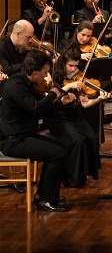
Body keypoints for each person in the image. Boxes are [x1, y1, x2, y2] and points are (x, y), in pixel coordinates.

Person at [0, 50, 81, 212]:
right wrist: (52, 94)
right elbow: (37, 110)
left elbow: (42, 110)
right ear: (35, 71)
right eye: (44, 72)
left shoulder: (27, 84)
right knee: (57, 153)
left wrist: (62, 102)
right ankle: (45, 200)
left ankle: (43, 194)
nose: (45, 77)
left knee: (62, 147)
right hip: (12, 140)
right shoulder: (16, 86)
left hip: (25, 135)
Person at [49, 47, 109, 188]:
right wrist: (69, 86)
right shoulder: (54, 76)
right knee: (77, 140)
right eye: (70, 66)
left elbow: (85, 103)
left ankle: (83, 175)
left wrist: (99, 99)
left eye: (76, 66)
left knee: (91, 137)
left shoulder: (78, 76)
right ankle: (71, 178)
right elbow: (51, 101)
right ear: (63, 63)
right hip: (59, 116)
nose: (73, 69)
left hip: (75, 114)